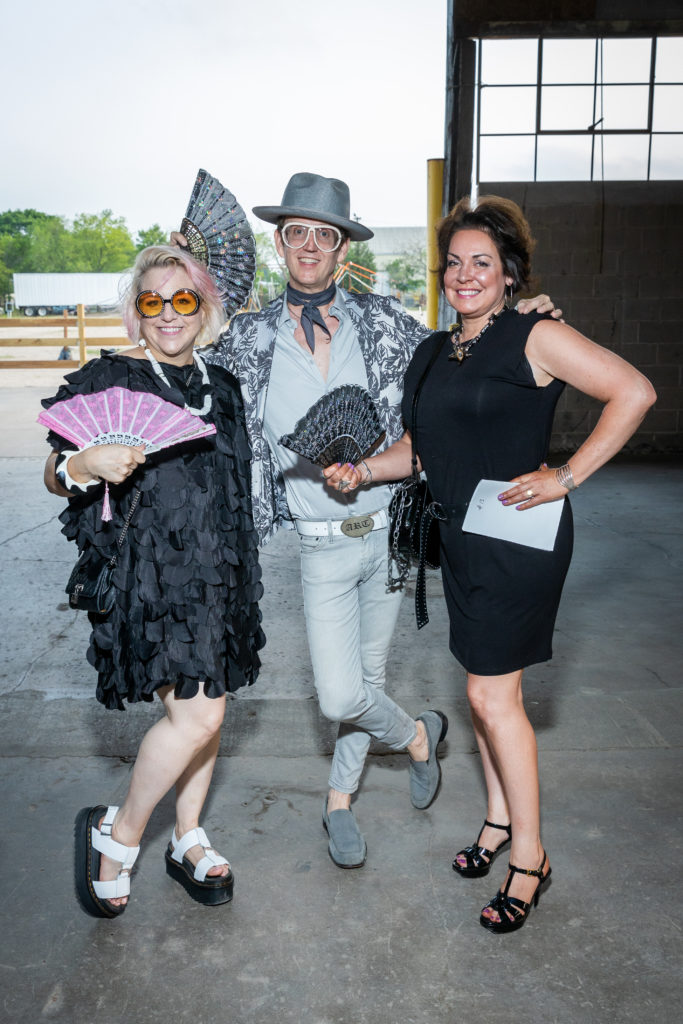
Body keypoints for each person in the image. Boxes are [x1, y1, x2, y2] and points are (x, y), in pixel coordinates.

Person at [183, 172, 558, 870]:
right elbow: (182, 359)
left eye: (323, 234)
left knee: (369, 674)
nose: (308, 246)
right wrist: (178, 278)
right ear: (280, 243)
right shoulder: (248, 339)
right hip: (319, 545)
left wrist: (521, 314)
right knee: (339, 695)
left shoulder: (384, 323)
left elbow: (466, 347)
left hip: (386, 536)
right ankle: (417, 737)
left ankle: (339, 802)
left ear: (341, 248)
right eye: (296, 232)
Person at [325, 194, 656, 929]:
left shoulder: (535, 336)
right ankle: (498, 821)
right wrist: (363, 472)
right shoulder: (433, 352)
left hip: (520, 537)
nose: (465, 275)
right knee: (483, 690)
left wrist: (565, 476)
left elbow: (634, 392)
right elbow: (416, 451)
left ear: (509, 273)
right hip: (461, 538)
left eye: (483, 262)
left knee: (488, 698)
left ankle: (530, 856)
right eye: (453, 263)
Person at [42, 245, 265, 917]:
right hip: (152, 574)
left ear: (205, 307)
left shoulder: (220, 385)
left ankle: (188, 835)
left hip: (219, 568)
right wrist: (84, 463)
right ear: (135, 312)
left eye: (183, 299)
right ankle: (121, 834)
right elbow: (53, 470)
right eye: (152, 300)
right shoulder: (109, 376)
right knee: (200, 714)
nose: (168, 313)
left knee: (205, 708)